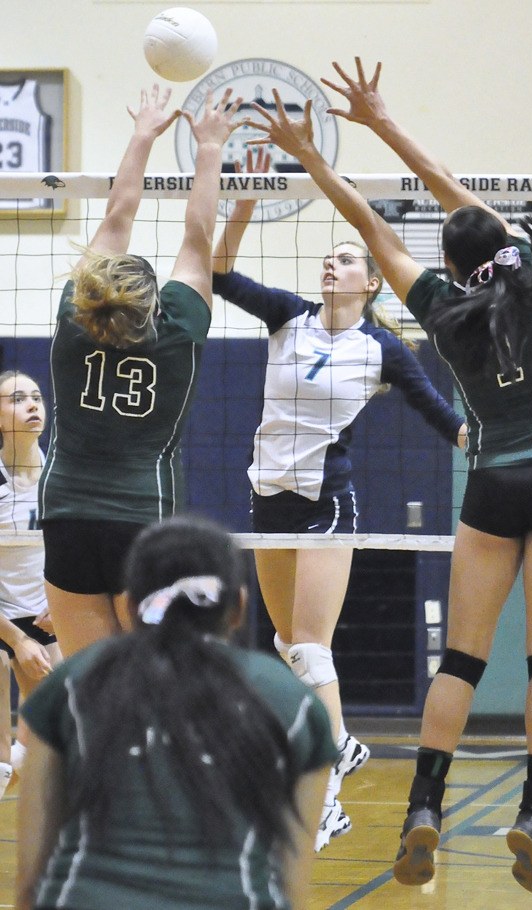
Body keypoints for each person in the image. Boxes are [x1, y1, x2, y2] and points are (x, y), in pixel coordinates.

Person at [243, 58, 532, 894]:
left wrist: (317, 155)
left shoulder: (437, 310)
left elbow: (370, 228)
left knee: (461, 663)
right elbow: (450, 186)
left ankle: (423, 807)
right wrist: (385, 121)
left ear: (443, 261)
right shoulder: (528, 279)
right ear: (499, 247)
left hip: (493, 484)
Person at [213, 147, 466, 851]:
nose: (332, 264)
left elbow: (439, 414)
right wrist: (243, 206)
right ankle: (343, 740)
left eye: (346, 259)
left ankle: (326, 797)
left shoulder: (382, 349)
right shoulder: (287, 317)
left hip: (327, 504)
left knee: (312, 651)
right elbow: (219, 273)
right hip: (267, 499)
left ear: (371, 281)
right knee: (288, 646)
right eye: (328, 258)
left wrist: (478, 437)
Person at [15, 513, 337, 910]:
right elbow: (291, 883)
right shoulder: (293, 702)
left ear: (131, 605)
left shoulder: (69, 686)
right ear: (238, 606)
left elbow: (30, 881)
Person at [39, 85, 243, 657]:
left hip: (67, 513)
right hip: (143, 519)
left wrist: (143, 133)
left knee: (91, 679)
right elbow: (198, 237)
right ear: (156, 302)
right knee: (154, 675)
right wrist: (210, 147)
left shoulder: (74, 319)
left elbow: (118, 213)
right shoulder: (177, 335)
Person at [0, 371, 62, 796]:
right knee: (2, 760)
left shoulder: (60, 475)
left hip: (46, 616)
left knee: (59, 741)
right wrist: (17, 642)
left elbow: (78, 551)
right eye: (18, 398)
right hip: (2, 618)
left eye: (36, 397)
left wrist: (63, 605)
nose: (32, 405)